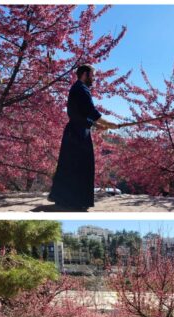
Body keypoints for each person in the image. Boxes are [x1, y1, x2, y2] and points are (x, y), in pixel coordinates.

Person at [48, 64, 119, 211]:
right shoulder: (81, 89)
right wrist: (108, 123)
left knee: (70, 165)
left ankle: (64, 199)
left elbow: (78, 114)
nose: (94, 79)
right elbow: (90, 111)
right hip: (78, 134)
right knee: (81, 166)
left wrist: (96, 125)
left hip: (75, 131)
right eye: (92, 75)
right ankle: (75, 201)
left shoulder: (77, 88)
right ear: (85, 74)